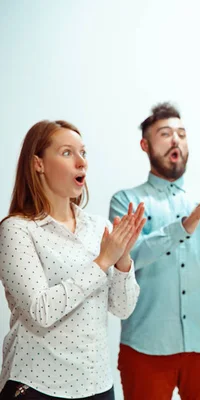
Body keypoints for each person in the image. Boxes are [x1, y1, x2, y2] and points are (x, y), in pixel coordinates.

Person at [0, 120, 143, 399]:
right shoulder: (17, 229)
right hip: (37, 386)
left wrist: (122, 260)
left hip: (98, 386)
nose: (81, 162)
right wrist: (102, 262)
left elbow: (122, 308)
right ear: (38, 164)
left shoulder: (97, 226)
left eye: (83, 153)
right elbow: (40, 311)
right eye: (67, 153)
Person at [110, 103, 200, 400]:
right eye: (165, 133)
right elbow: (126, 258)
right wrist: (181, 229)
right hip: (146, 347)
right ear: (145, 145)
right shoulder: (127, 201)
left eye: (181, 134)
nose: (176, 139)